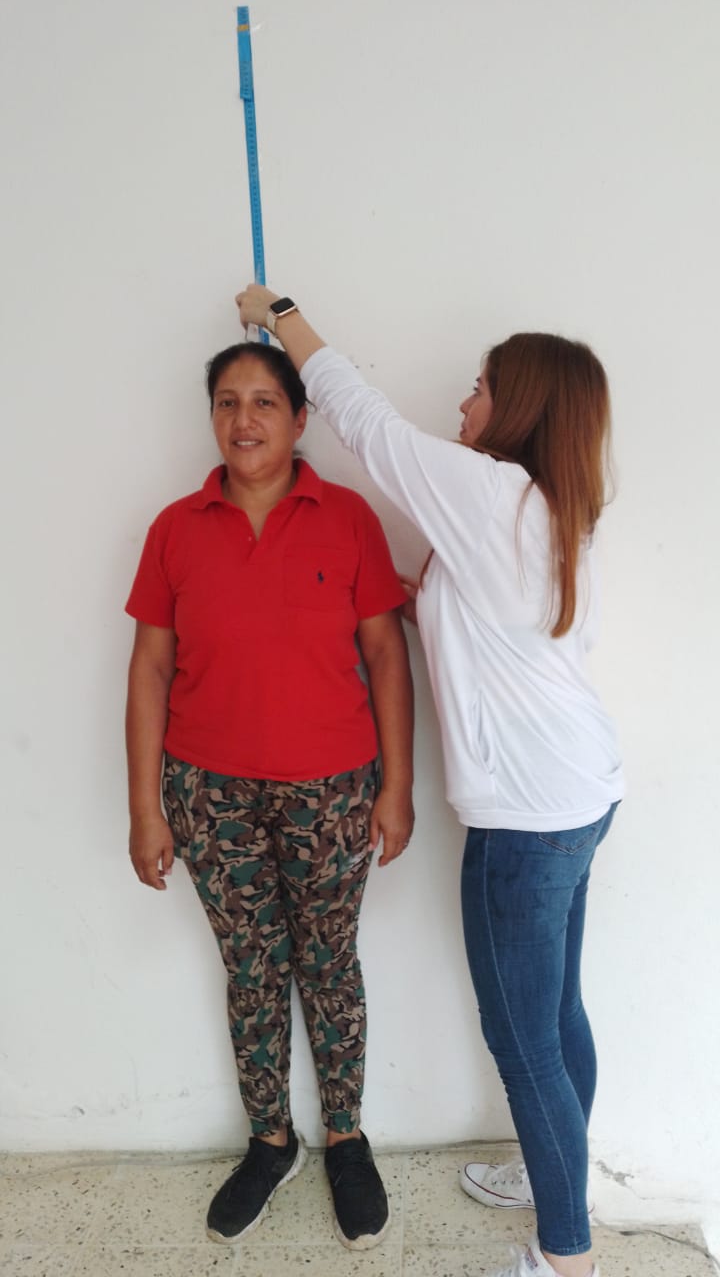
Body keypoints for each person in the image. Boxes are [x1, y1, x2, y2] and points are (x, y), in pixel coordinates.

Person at [234, 285, 625, 1277]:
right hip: (579, 795)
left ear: (522, 406)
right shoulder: (547, 507)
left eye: (480, 387)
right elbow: (502, 628)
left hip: (528, 820)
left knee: (524, 1041)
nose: (464, 401)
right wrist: (419, 608)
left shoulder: (488, 492)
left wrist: (281, 313)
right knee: (557, 1016)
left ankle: (565, 1257)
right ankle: (555, 1178)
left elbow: (364, 420)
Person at [124, 340, 414, 1250]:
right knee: (252, 971)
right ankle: (270, 1141)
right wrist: (145, 807)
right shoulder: (176, 528)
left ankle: (347, 1140)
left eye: (262, 402)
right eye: (226, 401)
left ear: (298, 418)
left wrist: (399, 786)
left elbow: (386, 655)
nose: (242, 419)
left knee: (328, 965)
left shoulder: (349, 519)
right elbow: (150, 669)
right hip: (209, 794)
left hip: (333, 791)